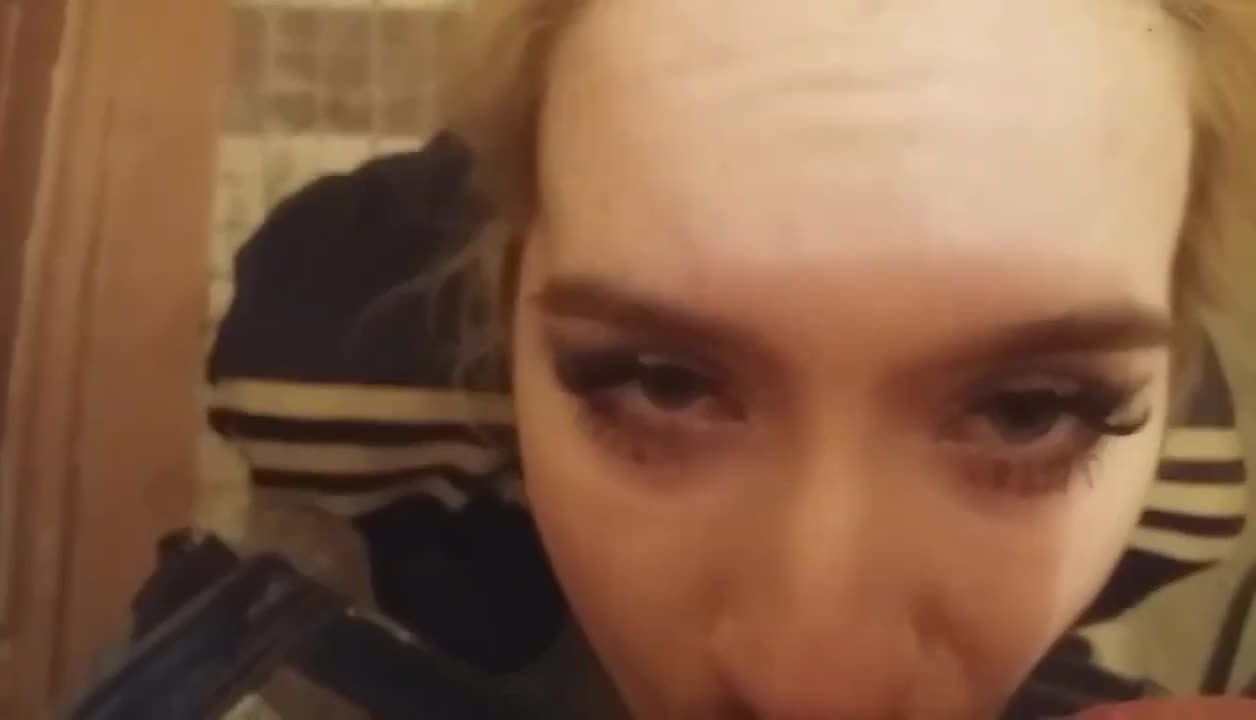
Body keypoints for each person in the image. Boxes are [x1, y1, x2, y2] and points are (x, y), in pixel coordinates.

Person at [195, 1, 1256, 718]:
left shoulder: (1180, 500)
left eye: (1028, 410)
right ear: (511, 280)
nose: (815, 690)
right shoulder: (326, 387)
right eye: (662, 381)